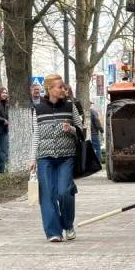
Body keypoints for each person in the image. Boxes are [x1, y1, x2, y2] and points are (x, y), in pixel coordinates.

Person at [30, 73, 82, 242]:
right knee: (47, 194)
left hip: (66, 157)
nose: (63, 90)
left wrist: (71, 129)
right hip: (44, 157)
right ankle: (53, 232)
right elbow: (36, 135)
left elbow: (81, 131)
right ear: (49, 89)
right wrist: (32, 158)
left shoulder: (70, 106)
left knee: (64, 192)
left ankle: (68, 225)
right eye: (60, 87)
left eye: (64, 87)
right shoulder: (38, 109)